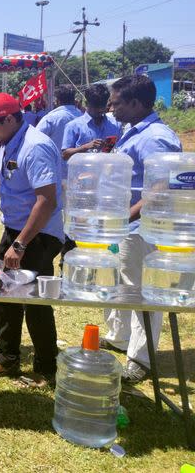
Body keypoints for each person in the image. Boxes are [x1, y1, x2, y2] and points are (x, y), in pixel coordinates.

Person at [0, 93, 64, 384]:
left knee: (34, 301)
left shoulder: (36, 146)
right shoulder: (8, 143)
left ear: (9, 119)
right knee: (3, 294)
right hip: (17, 230)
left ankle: (46, 369)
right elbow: (2, 180)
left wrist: (20, 245)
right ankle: (7, 359)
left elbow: (46, 201)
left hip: (38, 235)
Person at [101, 75, 182, 384]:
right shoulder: (133, 132)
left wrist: (127, 216)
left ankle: (140, 359)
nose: (110, 107)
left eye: (116, 102)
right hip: (126, 226)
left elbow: (162, 186)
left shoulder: (155, 137)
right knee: (122, 283)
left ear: (136, 103)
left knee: (142, 293)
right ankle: (120, 338)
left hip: (142, 228)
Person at [61, 84, 121, 160]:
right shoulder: (73, 126)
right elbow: (65, 155)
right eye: (95, 106)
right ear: (86, 103)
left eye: (102, 106)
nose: (99, 110)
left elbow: (120, 151)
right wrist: (85, 147)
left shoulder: (115, 125)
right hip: (82, 171)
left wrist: (108, 148)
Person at [36, 84, 83, 158]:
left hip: (56, 166)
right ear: (74, 100)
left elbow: (36, 141)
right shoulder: (83, 117)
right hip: (79, 167)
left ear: (57, 101)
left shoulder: (50, 118)